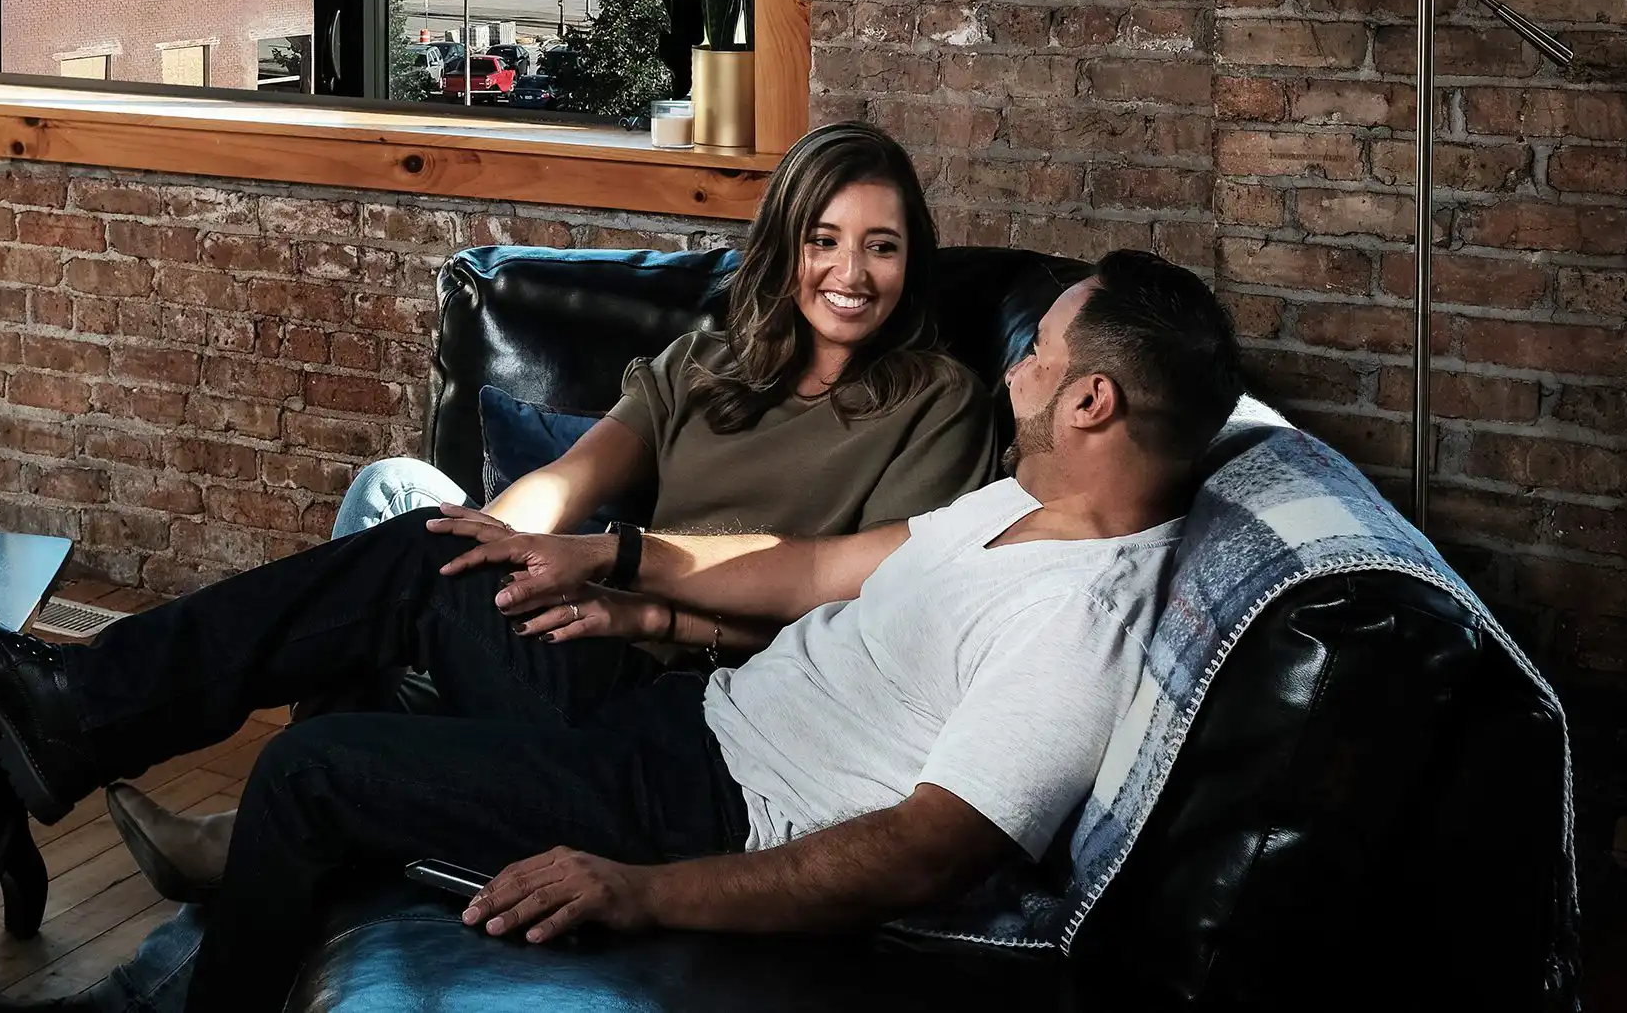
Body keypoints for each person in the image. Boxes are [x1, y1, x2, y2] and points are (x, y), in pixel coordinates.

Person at [0, 249, 1247, 1013]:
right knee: (439, 550)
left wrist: (636, 886)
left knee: (319, 769)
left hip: (698, 810)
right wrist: (631, 593)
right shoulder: (1025, 499)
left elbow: (913, 854)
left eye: (1043, 353)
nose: (1016, 363)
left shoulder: (1077, 626)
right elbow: (823, 568)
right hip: (680, 721)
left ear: (1092, 401)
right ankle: (79, 709)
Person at [105, 118, 999, 903]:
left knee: (406, 580)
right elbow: (571, 477)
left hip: (705, 717)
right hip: (589, 653)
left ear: (910, 256)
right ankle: (126, 745)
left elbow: (862, 611)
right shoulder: (707, 364)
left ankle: (98, 713)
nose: (851, 272)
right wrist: (502, 537)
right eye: (825, 239)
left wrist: (630, 586)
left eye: (881, 245)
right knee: (433, 543)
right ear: (786, 246)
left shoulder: (939, 402)